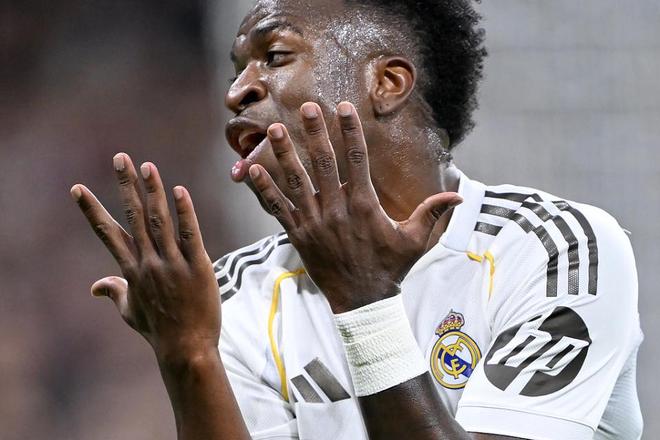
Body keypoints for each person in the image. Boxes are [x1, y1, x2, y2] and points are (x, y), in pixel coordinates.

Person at [71, 0, 644, 438]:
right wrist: (188, 353)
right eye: (237, 70)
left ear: (386, 83)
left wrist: (364, 299)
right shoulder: (232, 295)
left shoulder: (554, 249)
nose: (237, 92)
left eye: (275, 57)